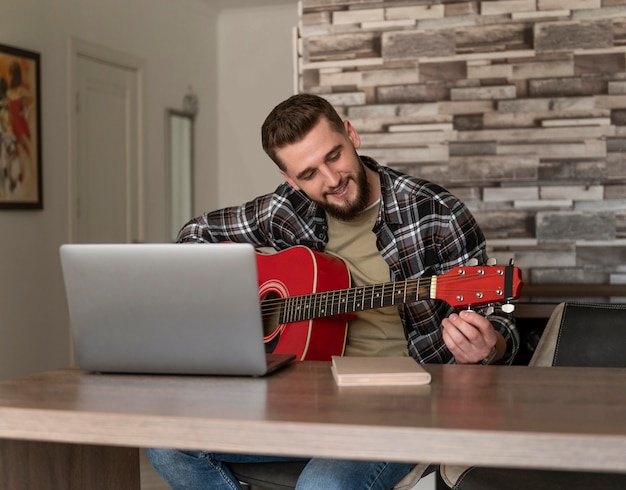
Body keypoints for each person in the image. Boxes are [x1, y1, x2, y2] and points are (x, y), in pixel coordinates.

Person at [147, 93, 519, 490]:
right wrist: (226, 291)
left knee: (322, 485)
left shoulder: (435, 214)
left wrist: (488, 344)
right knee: (168, 444)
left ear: (351, 134)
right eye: (308, 174)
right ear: (290, 180)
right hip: (300, 397)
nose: (332, 179)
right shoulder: (285, 208)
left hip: (400, 408)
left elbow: (500, 325)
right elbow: (196, 233)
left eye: (334, 156)